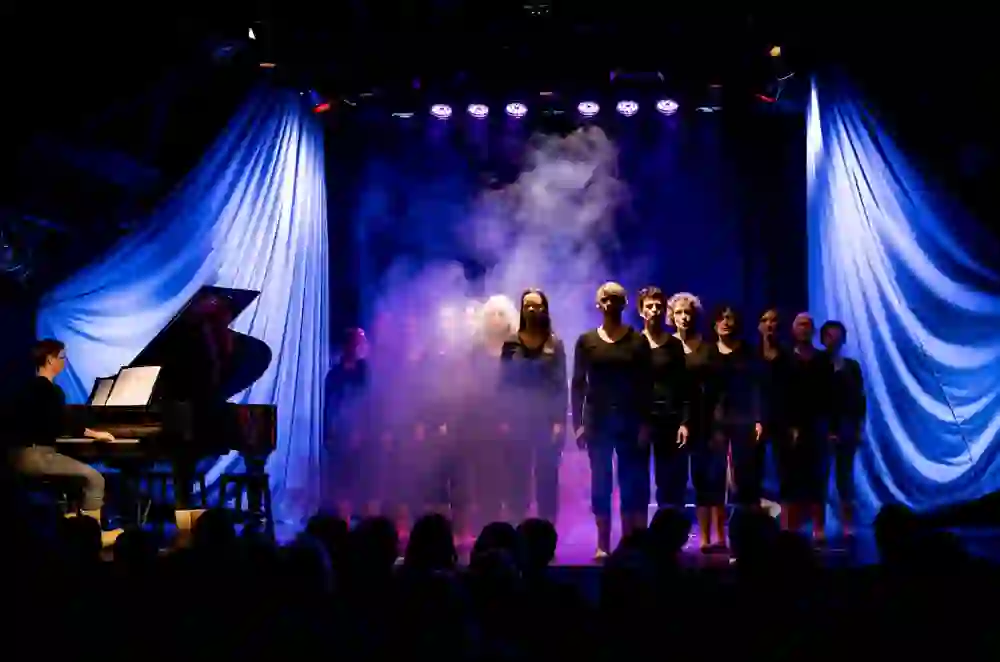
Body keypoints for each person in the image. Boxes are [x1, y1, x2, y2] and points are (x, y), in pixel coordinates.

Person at [8, 339, 122, 546]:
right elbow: (62, 425)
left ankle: (70, 531)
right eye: (62, 357)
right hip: (37, 457)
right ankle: (92, 538)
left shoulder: (24, 389)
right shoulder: (51, 391)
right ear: (50, 359)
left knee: (74, 481)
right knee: (95, 478)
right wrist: (96, 434)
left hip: (15, 457)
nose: (64, 362)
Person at [571, 282, 653, 559]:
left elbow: (646, 384)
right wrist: (578, 424)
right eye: (605, 298)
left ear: (624, 303)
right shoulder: (586, 341)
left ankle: (630, 541)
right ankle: (602, 543)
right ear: (598, 304)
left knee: (631, 480)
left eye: (616, 298)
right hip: (598, 421)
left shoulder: (637, 341)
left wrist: (645, 422)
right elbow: (578, 384)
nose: (610, 302)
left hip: (630, 419)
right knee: (601, 482)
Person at [500, 289, 568, 525]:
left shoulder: (555, 343)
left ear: (545, 309)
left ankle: (547, 527)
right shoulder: (510, 342)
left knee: (547, 475)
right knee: (518, 475)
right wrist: (504, 419)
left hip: (546, 420)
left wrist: (559, 421)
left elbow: (561, 385)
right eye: (527, 305)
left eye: (536, 305)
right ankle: (518, 525)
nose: (532, 309)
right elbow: (504, 383)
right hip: (518, 417)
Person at [669, 292, 725, 552]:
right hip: (673, 421)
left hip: (703, 421)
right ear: (671, 316)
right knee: (676, 482)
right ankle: (674, 537)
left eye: (687, 312)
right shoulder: (666, 346)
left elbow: (717, 389)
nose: (683, 317)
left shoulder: (708, 348)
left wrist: (716, 425)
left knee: (706, 481)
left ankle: (708, 538)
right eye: (679, 312)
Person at [462, 295, 519, 533]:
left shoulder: (517, 348)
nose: (496, 319)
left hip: (512, 422)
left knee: (512, 474)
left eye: (501, 314)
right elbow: (469, 386)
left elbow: (521, 387)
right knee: (484, 474)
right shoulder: (476, 350)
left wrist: (508, 418)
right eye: (492, 314)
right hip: (481, 422)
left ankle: (512, 526)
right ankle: (488, 525)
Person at [636, 287, 690, 512]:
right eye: (650, 306)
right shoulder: (633, 343)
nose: (655, 310)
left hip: (669, 418)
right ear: (641, 311)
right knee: (637, 480)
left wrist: (684, 422)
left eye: (659, 306)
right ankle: (638, 533)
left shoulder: (674, 345)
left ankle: (670, 534)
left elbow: (684, 385)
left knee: (669, 481)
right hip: (641, 420)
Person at [710, 306, 763, 514]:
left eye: (729, 318)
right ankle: (718, 533)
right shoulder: (708, 351)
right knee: (715, 474)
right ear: (714, 324)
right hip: (716, 419)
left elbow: (756, 386)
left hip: (744, 417)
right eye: (721, 318)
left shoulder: (748, 352)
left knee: (745, 473)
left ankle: (747, 523)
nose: (725, 322)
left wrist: (758, 418)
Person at [786, 313, 834, 543]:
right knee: (792, 479)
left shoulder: (823, 360)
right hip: (790, 427)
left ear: (813, 331)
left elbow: (830, 395)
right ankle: (791, 530)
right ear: (793, 330)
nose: (804, 329)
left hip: (817, 424)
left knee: (818, 480)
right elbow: (780, 394)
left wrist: (830, 427)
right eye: (800, 324)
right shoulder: (785, 358)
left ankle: (818, 529)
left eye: (808, 325)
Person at [820, 320, 865, 540]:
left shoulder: (852, 366)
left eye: (838, 335)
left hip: (847, 426)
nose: (834, 340)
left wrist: (858, 428)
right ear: (823, 338)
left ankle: (848, 524)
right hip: (822, 426)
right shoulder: (817, 365)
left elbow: (859, 400)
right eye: (829, 335)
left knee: (844, 478)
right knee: (819, 477)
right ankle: (819, 526)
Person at [324, 328, 371, 518]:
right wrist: (330, 432)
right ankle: (343, 518)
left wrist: (363, 429)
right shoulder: (335, 374)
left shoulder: (366, 372)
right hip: (341, 435)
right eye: (359, 342)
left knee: (363, 479)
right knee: (342, 479)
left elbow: (371, 401)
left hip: (364, 435)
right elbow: (329, 405)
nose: (362, 346)